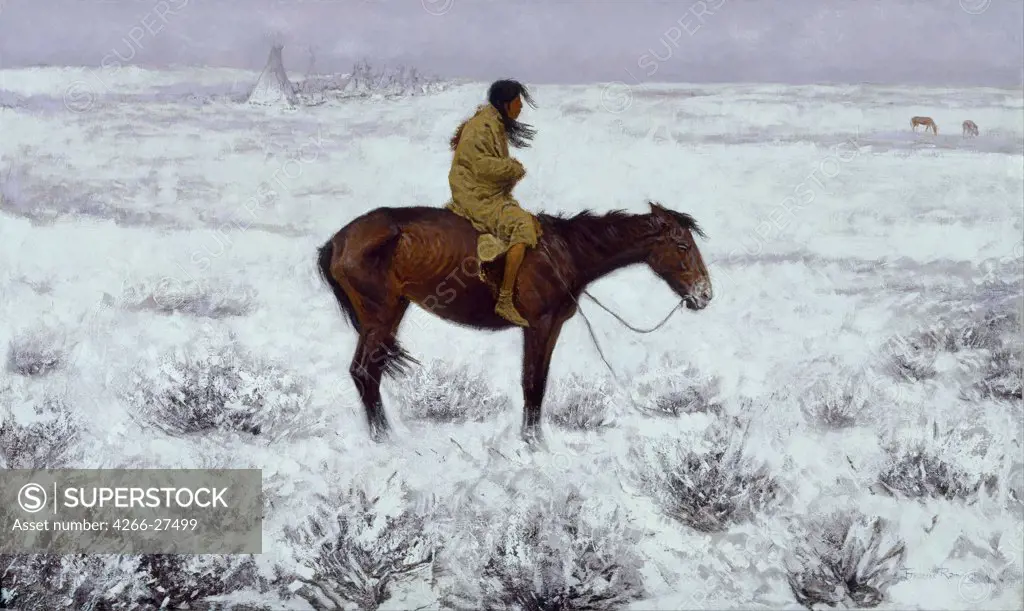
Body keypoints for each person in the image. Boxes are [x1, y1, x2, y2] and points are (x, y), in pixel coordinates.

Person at [446, 79, 541, 327]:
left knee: (529, 221)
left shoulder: (493, 123)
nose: (520, 108)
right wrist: (512, 168)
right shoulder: (483, 126)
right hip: (475, 197)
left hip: (484, 193)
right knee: (523, 226)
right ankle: (505, 299)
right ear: (505, 104)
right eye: (517, 103)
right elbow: (480, 165)